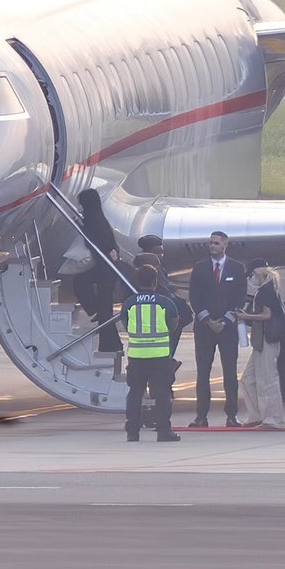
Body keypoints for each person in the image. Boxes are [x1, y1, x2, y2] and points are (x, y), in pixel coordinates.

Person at [187, 230, 246, 427]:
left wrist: (225, 321)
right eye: (210, 243)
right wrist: (207, 320)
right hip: (205, 328)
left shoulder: (237, 268)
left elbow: (240, 297)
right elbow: (194, 296)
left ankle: (232, 415)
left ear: (225, 246)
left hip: (227, 328)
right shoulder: (199, 268)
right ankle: (201, 416)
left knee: (230, 372)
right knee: (203, 372)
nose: (212, 246)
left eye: (216, 243)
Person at [121, 261, 180, 442]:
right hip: (159, 356)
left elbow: (125, 324)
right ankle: (163, 430)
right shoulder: (165, 303)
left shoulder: (129, 304)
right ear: (155, 282)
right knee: (161, 393)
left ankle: (132, 432)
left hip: (137, 356)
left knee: (135, 393)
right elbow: (173, 325)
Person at [236, 261, 285, 430]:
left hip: (268, 340)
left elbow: (267, 315)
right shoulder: (269, 288)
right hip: (261, 342)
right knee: (248, 379)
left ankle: (273, 420)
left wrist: (247, 315)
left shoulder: (266, 290)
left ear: (258, 272)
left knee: (267, 380)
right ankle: (256, 416)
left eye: (252, 275)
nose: (251, 279)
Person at [72, 188, 123, 353]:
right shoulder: (99, 218)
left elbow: (92, 241)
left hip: (104, 270)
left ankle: (110, 345)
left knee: (104, 312)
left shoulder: (92, 219)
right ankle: (111, 344)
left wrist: (80, 227)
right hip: (105, 268)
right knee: (104, 311)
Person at [136, 234, 193, 362]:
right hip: (159, 309)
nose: (162, 255)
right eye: (158, 252)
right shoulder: (152, 270)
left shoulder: (151, 267)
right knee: (180, 317)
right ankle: (167, 358)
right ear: (151, 252)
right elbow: (163, 291)